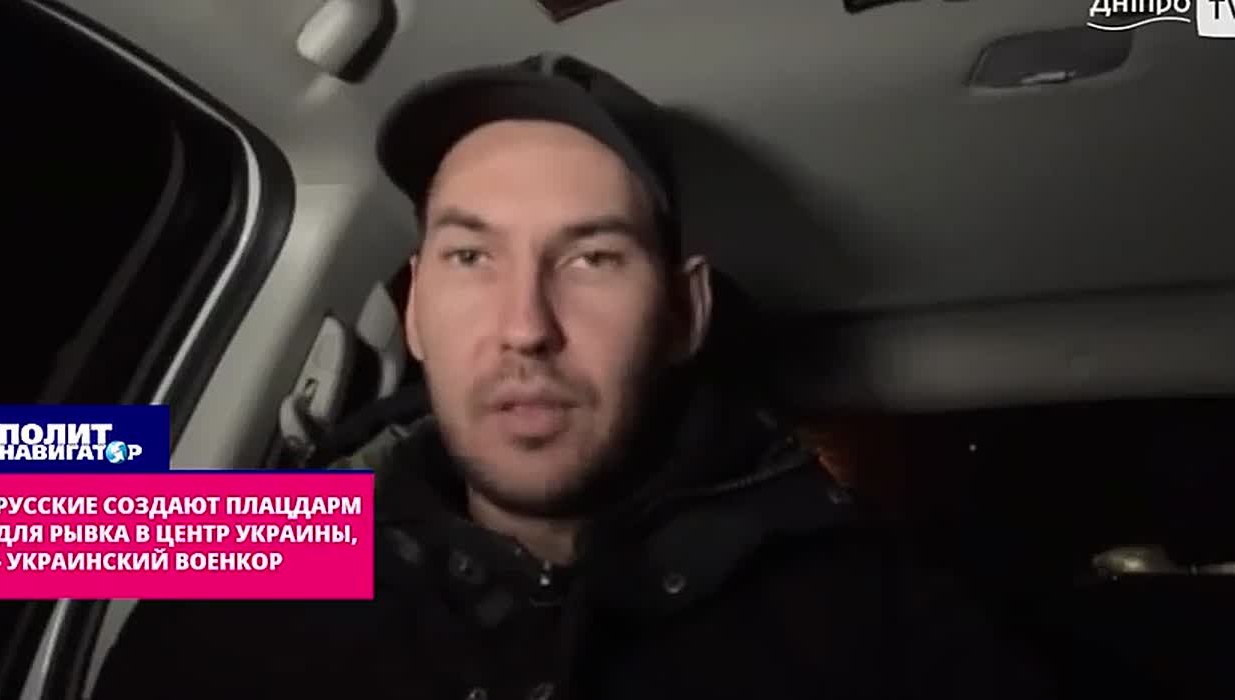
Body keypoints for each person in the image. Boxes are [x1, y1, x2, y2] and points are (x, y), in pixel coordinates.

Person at [93, 53, 1054, 700]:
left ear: (683, 313)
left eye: (592, 258)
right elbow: (43, 516)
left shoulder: (873, 609)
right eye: (472, 257)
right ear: (416, 308)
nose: (526, 327)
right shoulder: (246, 549)